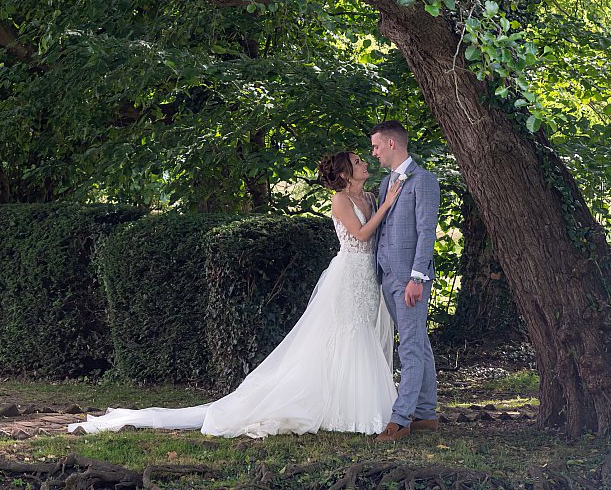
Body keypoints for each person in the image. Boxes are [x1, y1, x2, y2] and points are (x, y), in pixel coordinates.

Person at [69, 151, 403, 438]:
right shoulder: (341, 200)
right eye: (357, 162)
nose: (364, 163)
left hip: (367, 275)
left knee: (361, 332)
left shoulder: (369, 197)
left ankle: (351, 402)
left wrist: (384, 205)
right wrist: (388, 204)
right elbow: (361, 234)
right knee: (350, 332)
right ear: (344, 174)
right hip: (348, 274)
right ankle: (354, 411)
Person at [368, 120, 441, 441]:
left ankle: (400, 419)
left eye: (376, 146)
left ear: (392, 144)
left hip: (411, 280)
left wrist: (417, 277)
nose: (374, 153)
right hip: (387, 276)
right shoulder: (386, 183)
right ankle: (426, 413)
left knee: (410, 346)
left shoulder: (423, 180)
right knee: (418, 342)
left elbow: (426, 232)